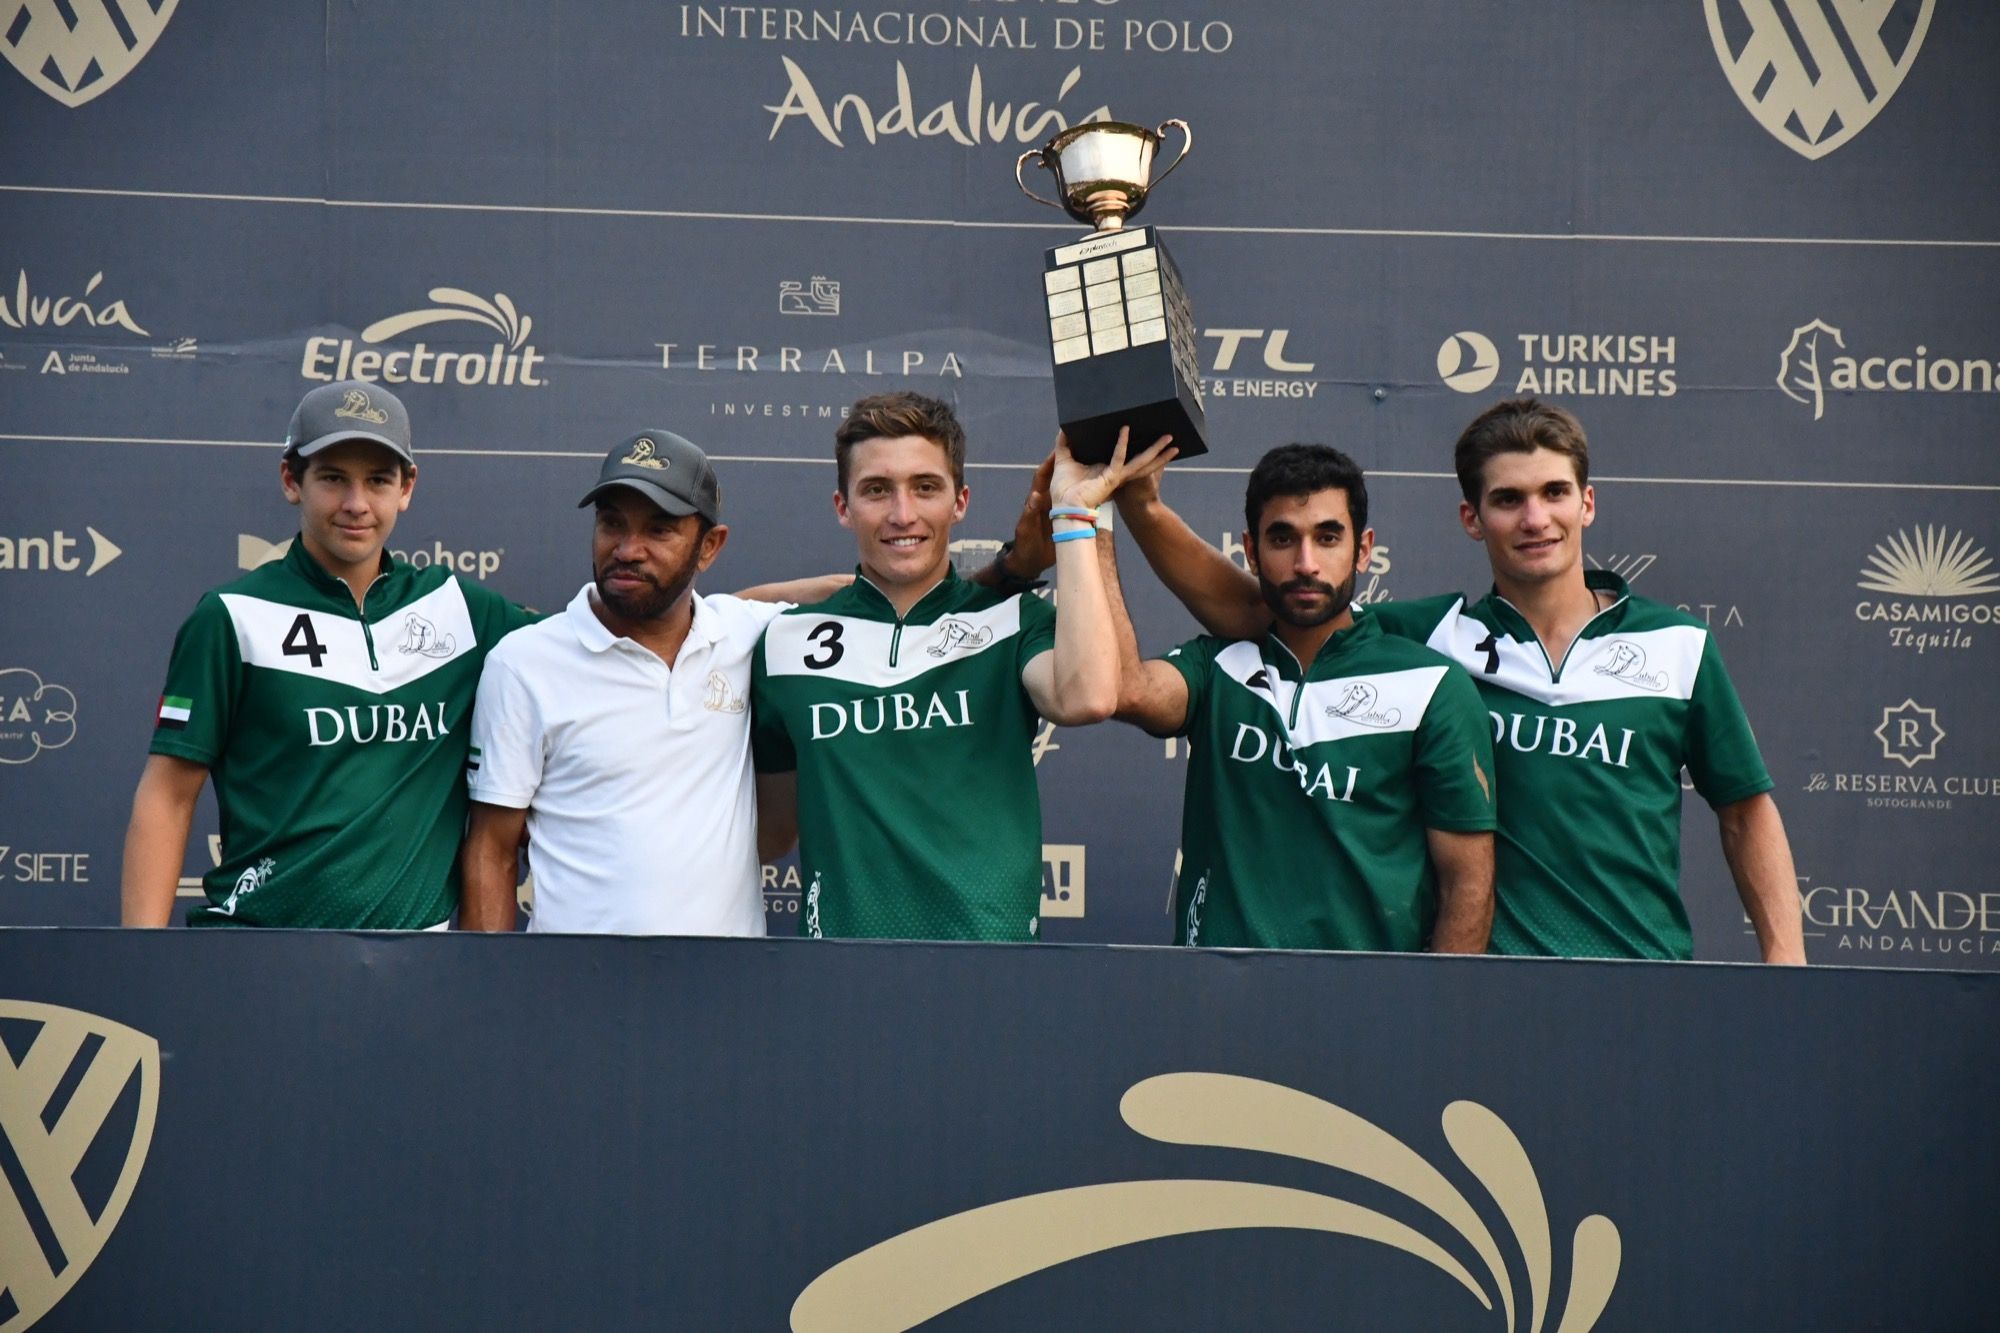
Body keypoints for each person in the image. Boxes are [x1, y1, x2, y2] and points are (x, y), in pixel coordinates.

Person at [1112, 398, 1807, 963]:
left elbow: (1746, 811)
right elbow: (1262, 606)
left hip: (1641, 974)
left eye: (1554, 492)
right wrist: (1141, 509)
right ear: (1472, 519)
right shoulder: (1429, 641)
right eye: (1508, 499)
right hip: (1495, 990)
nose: (1535, 518)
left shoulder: (1678, 645)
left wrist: (1785, 966)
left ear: (1587, 503)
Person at [120, 381, 539, 928]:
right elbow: (168, 797)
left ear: (407, 488)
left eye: (378, 481)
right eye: (334, 478)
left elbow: (587, 647)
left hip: (418, 967)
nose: (356, 504)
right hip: (258, 950)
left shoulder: (460, 609)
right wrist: (144, 963)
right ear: (292, 480)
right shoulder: (230, 615)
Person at [750, 391, 1159, 941]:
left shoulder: (1012, 620)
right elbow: (772, 834)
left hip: (989, 974)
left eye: (926, 487)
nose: (903, 514)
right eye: (876, 490)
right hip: (839, 979)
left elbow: (1087, 697)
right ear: (842, 507)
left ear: (959, 501)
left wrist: (1071, 514)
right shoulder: (783, 641)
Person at [1106, 443, 1496, 951]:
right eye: (1283, 538)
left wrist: (1433, 1019)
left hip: (1368, 1009)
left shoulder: (1432, 684)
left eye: (1328, 537)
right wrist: (1090, 521)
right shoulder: (1219, 665)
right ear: (1251, 550)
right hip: (1216, 1004)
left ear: (1363, 548)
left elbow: (1467, 885)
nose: (1305, 563)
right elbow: (1122, 687)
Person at [456, 432, 844, 934]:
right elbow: (492, 848)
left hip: (727, 993)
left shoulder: (745, 635)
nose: (627, 549)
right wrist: (488, 991)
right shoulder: (524, 664)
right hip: (573, 992)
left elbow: (856, 596)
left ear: (710, 547)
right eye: (611, 523)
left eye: (659, 531)